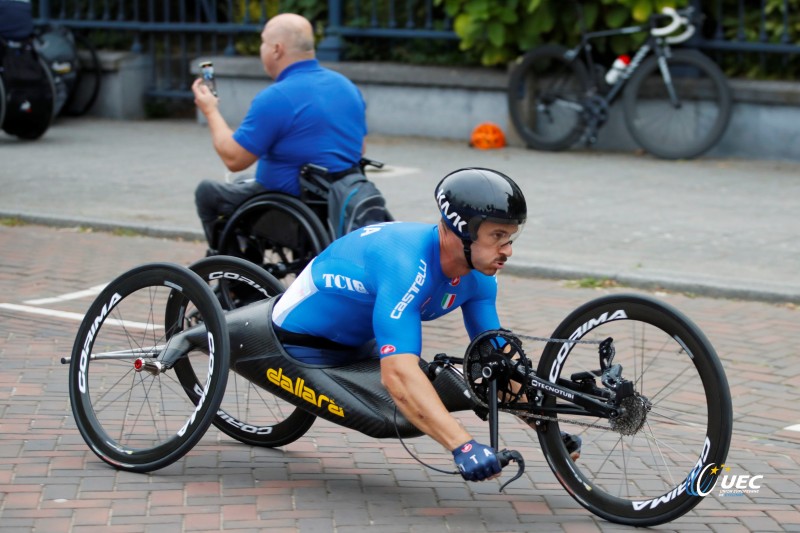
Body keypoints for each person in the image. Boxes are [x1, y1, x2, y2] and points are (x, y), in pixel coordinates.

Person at [272, 167, 579, 482]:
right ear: (462, 230)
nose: (508, 250)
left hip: (358, 345)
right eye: (497, 236)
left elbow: (498, 361)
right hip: (301, 338)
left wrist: (547, 425)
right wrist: (463, 446)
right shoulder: (408, 267)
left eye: (511, 237)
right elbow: (398, 375)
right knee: (417, 387)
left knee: (468, 374)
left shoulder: (480, 279)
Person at [191, 13, 367, 250]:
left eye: (263, 42)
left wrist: (210, 111)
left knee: (207, 193)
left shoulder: (277, 97)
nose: (261, 49)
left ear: (276, 49)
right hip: (336, 208)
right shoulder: (346, 86)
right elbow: (359, 149)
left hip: (289, 217)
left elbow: (234, 158)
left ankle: (237, 282)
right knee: (243, 182)